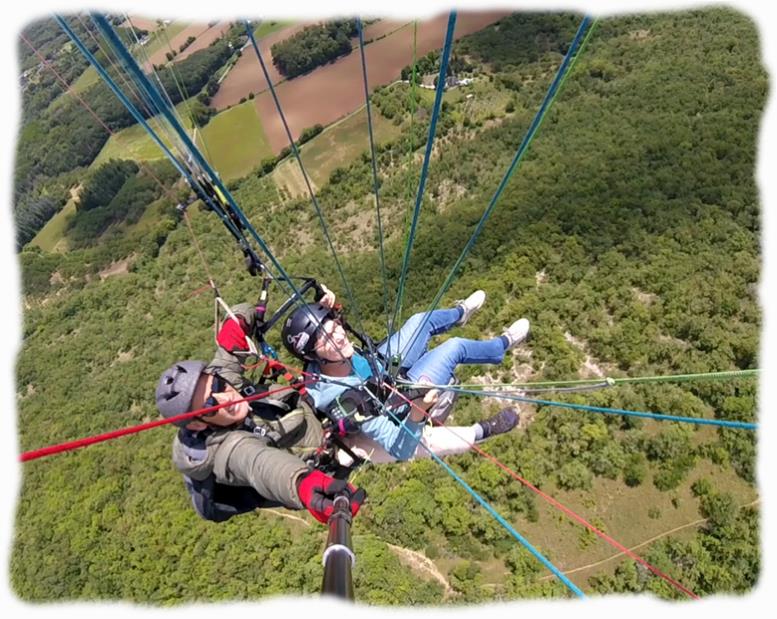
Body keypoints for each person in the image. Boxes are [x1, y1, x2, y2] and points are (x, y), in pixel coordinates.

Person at [155, 300, 365, 524]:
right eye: (209, 405)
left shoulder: (223, 377)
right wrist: (303, 484)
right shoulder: (226, 450)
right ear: (198, 424)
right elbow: (257, 463)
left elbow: (239, 316)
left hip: (311, 416)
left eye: (217, 387)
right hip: (327, 454)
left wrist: (239, 323)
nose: (225, 399)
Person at [281, 289, 530, 463]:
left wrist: (327, 306)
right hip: (399, 399)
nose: (338, 336)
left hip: (381, 363)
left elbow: (326, 332)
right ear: (315, 355)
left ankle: (460, 313)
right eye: (326, 338)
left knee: (420, 320)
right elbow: (401, 447)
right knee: (455, 347)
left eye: (335, 326)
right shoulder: (342, 399)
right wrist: (418, 410)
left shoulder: (322, 357)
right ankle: (502, 344)